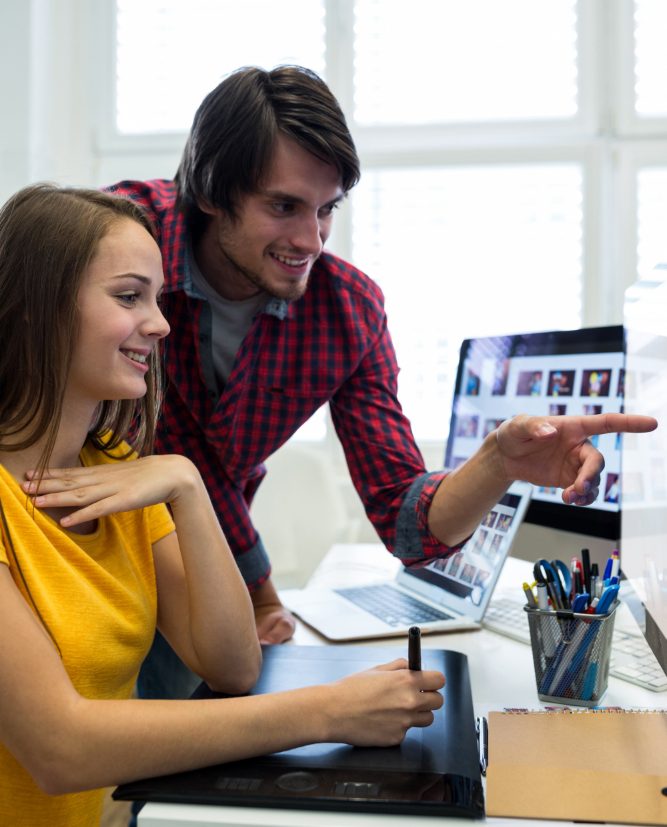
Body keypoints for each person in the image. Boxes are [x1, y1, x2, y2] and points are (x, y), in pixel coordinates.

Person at [106, 64, 658, 702]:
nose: (310, 240)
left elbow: (407, 519)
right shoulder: (119, 240)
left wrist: (498, 461)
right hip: (77, 540)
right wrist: (257, 585)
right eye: (283, 206)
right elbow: (154, 447)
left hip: (191, 555)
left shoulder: (346, 310)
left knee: (181, 736)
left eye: (326, 209)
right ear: (210, 191)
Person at [0, 183, 448, 827]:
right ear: (32, 309)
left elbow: (233, 665)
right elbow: (60, 749)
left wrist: (188, 485)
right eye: (129, 296)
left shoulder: (118, 474)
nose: (159, 322)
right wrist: (329, 711)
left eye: (156, 296)